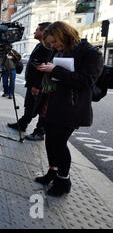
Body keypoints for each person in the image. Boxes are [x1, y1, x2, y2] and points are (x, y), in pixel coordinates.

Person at [34, 21, 103, 197]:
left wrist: (55, 70)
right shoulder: (62, 50)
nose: (53, 46)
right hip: (54, 103)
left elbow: (85, 81)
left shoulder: (91, 53)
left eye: (54, 42)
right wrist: (47, 69)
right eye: (50, 43)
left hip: (72, 107)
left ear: (64, 34)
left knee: (59, 143)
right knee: (50, 141)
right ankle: (52, 172)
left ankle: (63, 181)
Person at [7, 22, 52, 140]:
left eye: (37, 30)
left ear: (43, 32)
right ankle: (22, 124)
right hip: (33, 83)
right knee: (30, 105)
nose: (34, 32)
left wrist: (37, 85)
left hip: (38, 85)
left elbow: (42, 68)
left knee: (38, 107)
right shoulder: (40, 45)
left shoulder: (47, 47)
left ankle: (40, 131)